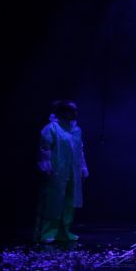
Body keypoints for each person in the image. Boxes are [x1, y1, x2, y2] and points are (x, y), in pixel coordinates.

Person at [34, 100, 89, 243]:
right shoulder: (52, 128)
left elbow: (79, 150)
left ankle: (64, 232)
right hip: (56, 171)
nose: (75, 114)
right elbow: (45, 148)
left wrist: (83, 167)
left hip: (72, 171)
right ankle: (47, 232)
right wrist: (46, 166)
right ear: (63, 112)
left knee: (69, 201)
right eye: (72, 111)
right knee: (53, 201)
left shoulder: (76, 130)